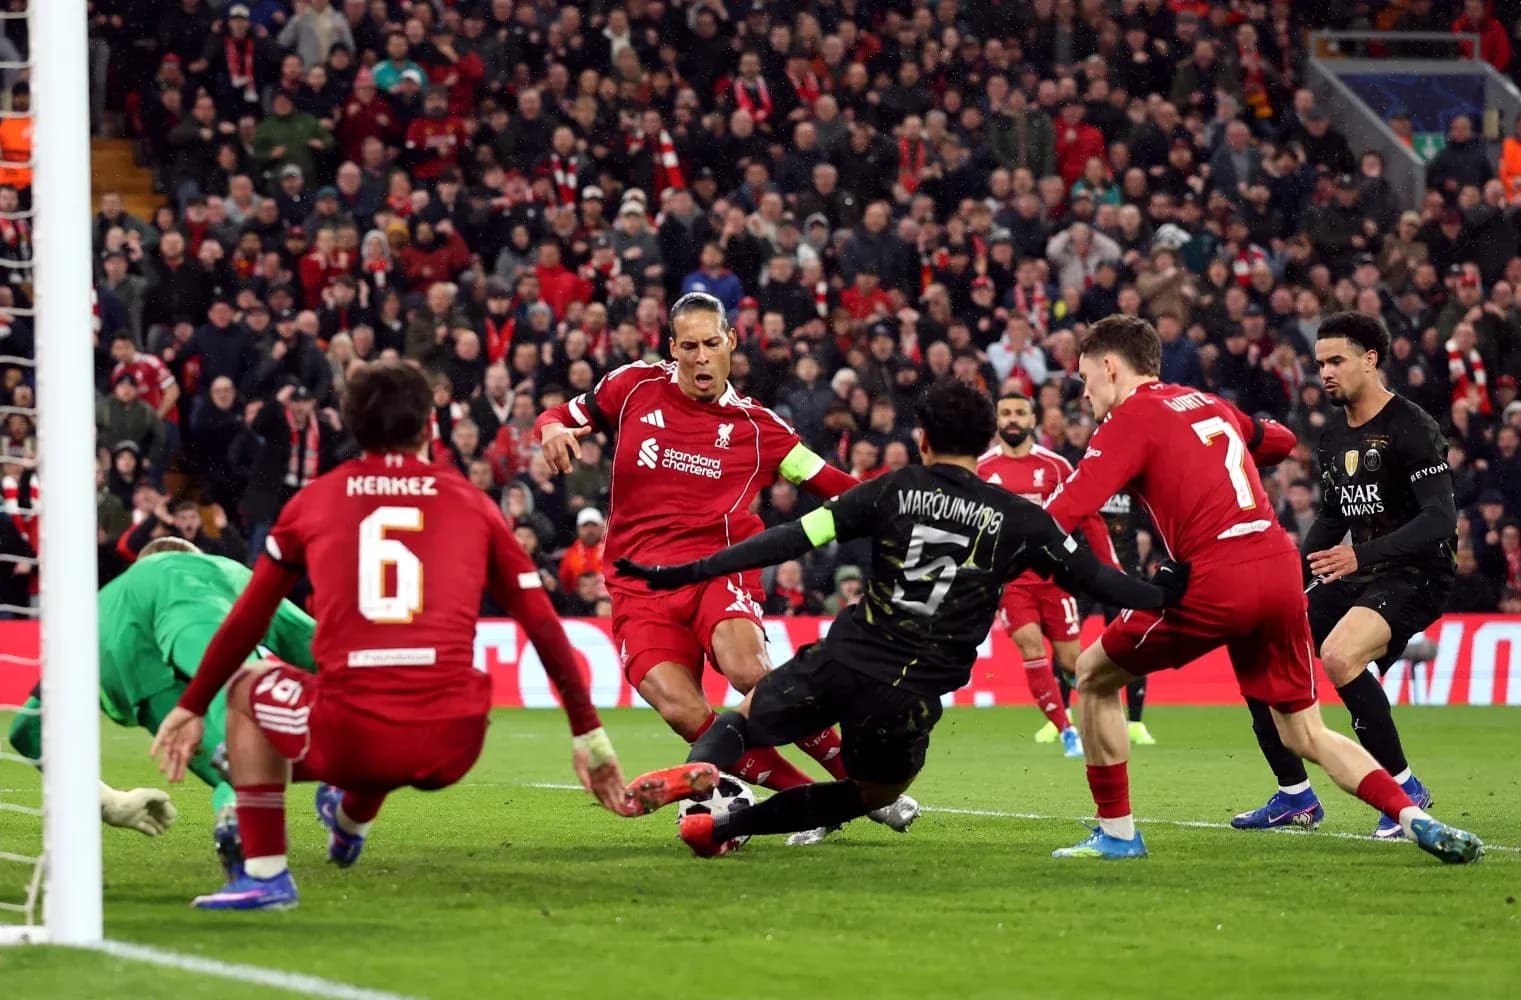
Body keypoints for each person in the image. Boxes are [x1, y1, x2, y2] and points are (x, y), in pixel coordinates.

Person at [615, 380, 1190, 856]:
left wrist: (692, 571)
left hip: (844, 657)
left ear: (922, 439)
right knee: (866, 792)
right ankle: (721, 827)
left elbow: (792, 538)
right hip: (910, 692)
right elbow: (1095, 579)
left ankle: (696, 794)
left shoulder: (891, 490)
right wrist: (1161, 592)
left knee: (739, 720)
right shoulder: (1019, 520)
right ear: (986, 439)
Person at [152, 362, 633, 911]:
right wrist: (589, 737)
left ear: (352, 428)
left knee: (249, 687)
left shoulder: (313, 502)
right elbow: (544, 625)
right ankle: (349, 821)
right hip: (454, 740)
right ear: (430, 426)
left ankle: (264, 875)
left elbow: (247, 621)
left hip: (352, 733)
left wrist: (191, 705)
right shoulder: (474, 504)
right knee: (389, 704)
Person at [1041, 315, 1481, 863]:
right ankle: (1413, 818)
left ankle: (1117, 834)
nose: (1084, 393)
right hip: (1276, 566)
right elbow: (1279, 440)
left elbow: (1060, 516)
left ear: (1111, 366)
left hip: (1220, 576)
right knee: (1306, 732)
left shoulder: (1128, 421)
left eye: (1086, 378)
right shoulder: (1205, 402)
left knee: (1092, 674)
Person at [533, 292, 921, 838]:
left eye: (711, 344)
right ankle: (813, 800)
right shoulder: (633, 387)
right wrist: (551, 429)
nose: (699, 358)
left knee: (748, 670)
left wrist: (904, 511)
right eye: (687, 346)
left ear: (731, 344)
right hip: (639, 587)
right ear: (671, 349)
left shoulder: (760, 429)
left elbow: (832, 485)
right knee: (682, 710)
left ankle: (858, 778)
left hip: (718, 570)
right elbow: (559, 415)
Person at [1232, 313, 1453, 838]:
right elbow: (1333, 515)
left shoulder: (1412, 426)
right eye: (1320, 364)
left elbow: (1440, 519)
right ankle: (1295, 796)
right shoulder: (1333, 435)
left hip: (1417, 573)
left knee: (1338, 655)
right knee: (1259, 647)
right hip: (1360, 574)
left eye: (1336, 361)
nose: (1325, 373)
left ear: (1370, 359)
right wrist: (1293, 571)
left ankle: (1405, 790)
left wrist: (1361, 554)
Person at [7, 537, 315, 873]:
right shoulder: (223, 571)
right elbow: (315, 646)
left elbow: (26, 730)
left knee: (238, 770)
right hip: (204, 629)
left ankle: (241, 831)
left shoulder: (97, 611)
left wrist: (109, 802)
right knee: (255, 753)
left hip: (127, 655)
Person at [976, 392, 1117, 758]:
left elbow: (1088, 517)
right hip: (1011, 582)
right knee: (1032, 647)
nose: (1012, 419)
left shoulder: (1055, 466)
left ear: (1032, 419)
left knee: (1073, 661)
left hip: (1055, 577)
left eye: (1019, 413)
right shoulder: (981, 469)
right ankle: (1066, 730)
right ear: (996, 420)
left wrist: (1110, 569)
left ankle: (1096, 719)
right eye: (1005, 412)